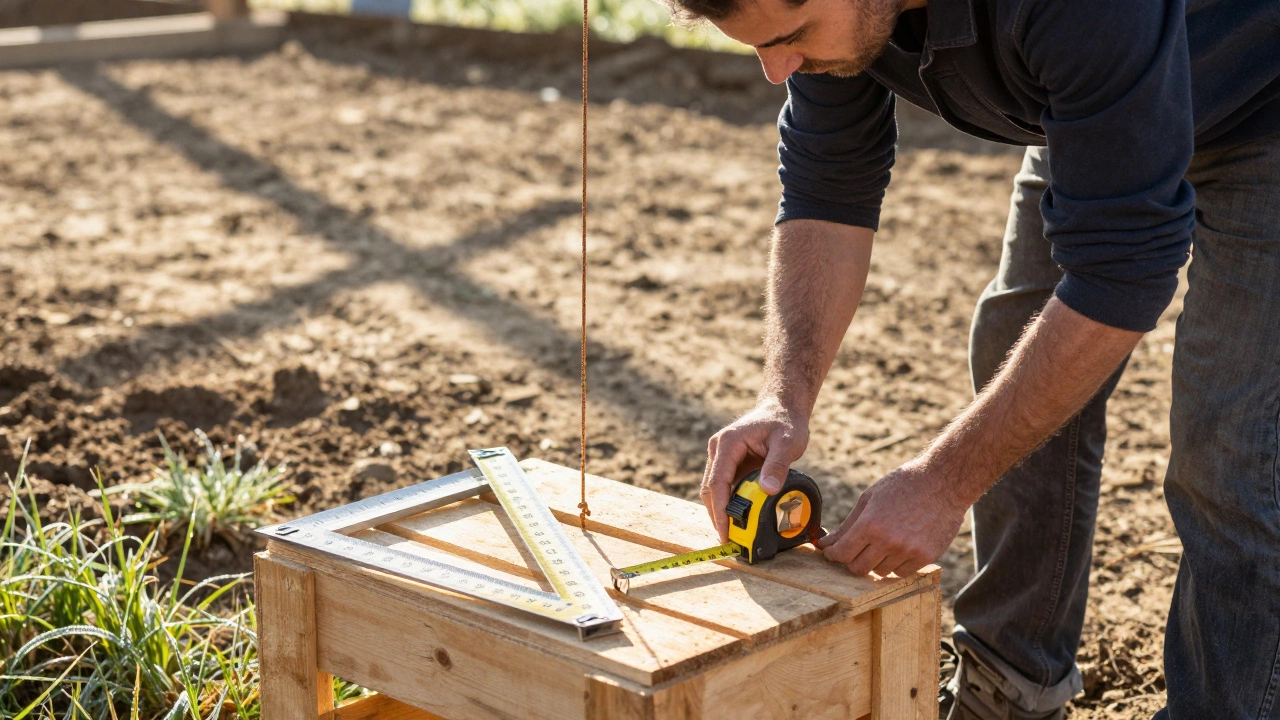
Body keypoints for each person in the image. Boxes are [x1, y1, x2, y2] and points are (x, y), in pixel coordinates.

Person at [682, 0, 1280, 717]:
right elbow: (826, 184)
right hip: (1101, 100)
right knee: (1014, 348)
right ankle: (1011, 682)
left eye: (789, 38)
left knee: (1234, 450)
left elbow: (1122, 273)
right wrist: (784, 396)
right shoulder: (830, 16)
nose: (775, 68)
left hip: (1263, 102)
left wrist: (940, 483)